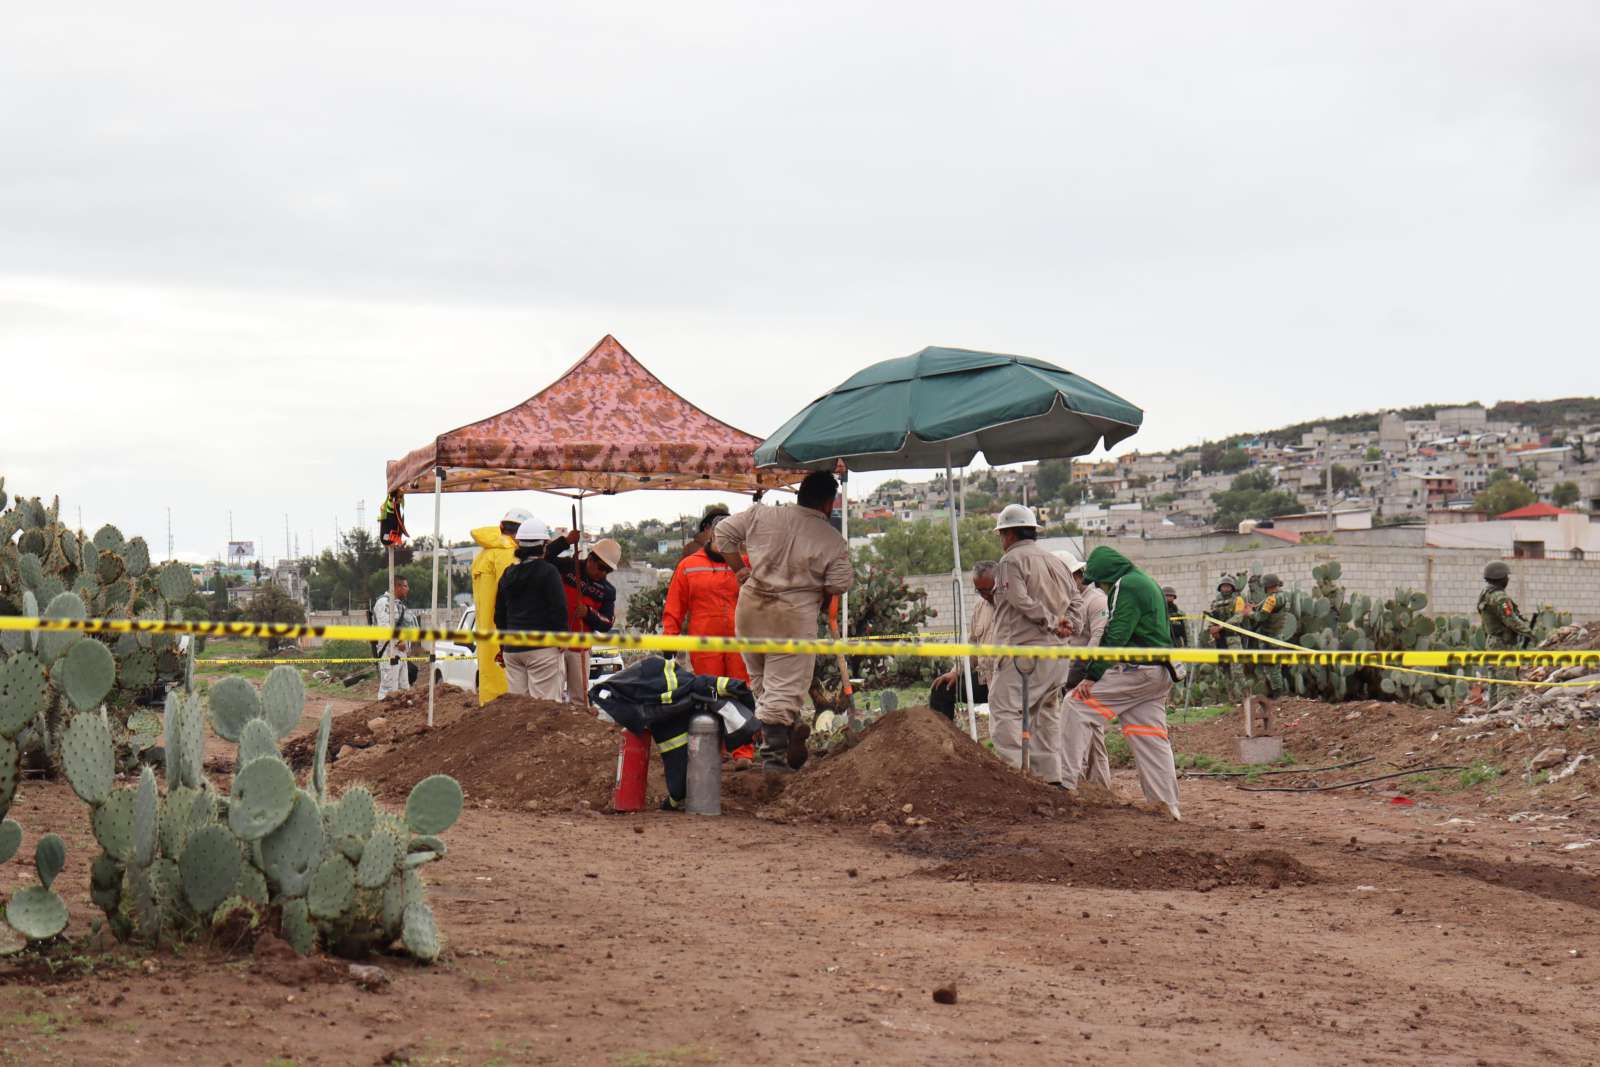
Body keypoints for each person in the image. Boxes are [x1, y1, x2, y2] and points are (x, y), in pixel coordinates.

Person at [713, 471, 852, 771]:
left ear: (799, 494)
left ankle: (789, 731)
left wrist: (739, 570)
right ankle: (774, 764)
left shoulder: (763, 515)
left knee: (763, 683)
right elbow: (839, 583)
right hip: (792, 614)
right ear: (828, 504)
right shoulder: (831, 539)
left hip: (751, 608)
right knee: (782, 689)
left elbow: (721, 533)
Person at [1060, 546, 1181, 821]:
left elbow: (1116, 633)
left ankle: (1064, 784)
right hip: (1157, 674)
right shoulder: (1145, 581)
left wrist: (1092, 676)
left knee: (1074, 705)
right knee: (1150, 739)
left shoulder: (1125, 586)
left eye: (1101, 583)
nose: (1100, 589)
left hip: (1137, 672)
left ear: (1107, 576)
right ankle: (1167, 807)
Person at [987, 504, 1078, 783]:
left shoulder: (1009, 563)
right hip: (1058, 654)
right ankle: (1051, 778)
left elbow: (1019, 600)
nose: (1002, 541)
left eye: (1002, 534)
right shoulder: (1057, 562)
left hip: (1023, 652)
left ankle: (1015, 780)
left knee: (1004, 710)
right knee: (1045, 714)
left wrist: (1051, 621)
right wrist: (1069, 625)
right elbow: (1077, 600)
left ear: (1010, 533)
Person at [663, 507, 756, 764]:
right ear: (710, 534)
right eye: (719, 536)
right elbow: (675, 606)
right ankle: (716, 750)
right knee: (710, 695)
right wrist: (669, 640)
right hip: (705, 644)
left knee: (739, 692)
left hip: (740, 642)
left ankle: (743, 751)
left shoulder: (746, 564)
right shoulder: (688, 566)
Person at [493, 518, 569, 700]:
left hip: (512, 650)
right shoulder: (548, 571)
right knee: (545, 710)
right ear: (543, 545)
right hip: (542, 649)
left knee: (519, 710)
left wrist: (503, 646)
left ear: (519, 544)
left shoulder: (508, 574)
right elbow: (558, 609)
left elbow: (499, 614)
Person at [545, 533, 621, 706]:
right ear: (591, 559)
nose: (603, 573)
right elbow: (544, 557)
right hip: (553, 645)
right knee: (549, 697)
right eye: (601, 568)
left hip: (579, 649)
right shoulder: (568, 566)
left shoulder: (608, 591)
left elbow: (607, 623)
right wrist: (565, 541)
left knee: (580, 700)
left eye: (607, 570)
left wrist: (588, 613)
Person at [1057, 554, 1111, 788]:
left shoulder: (1095, 600)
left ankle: (1094, 782)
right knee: (1086, 727)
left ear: (1078, 576)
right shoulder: (1071, 601)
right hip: (1074, 670)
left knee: (1090, 727)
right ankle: (1096, 783)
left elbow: (1099, 636)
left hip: (1088, 672)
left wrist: (1087, 671)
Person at [470, 507, 532, 705]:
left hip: (487, 634)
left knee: (491, 691)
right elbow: (513, 596)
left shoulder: (485, 553)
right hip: (505, 633)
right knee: (508, 693)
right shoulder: (508, 554)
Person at [929, 561, 999, 719]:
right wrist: (956, 672)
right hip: (985, 678)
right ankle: (944, 741)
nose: (985, 594)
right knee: (941, 690)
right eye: (979, 590)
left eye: (988, 589)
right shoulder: (980, 606)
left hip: (1009, 682)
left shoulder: (1013, 606)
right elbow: (972, 645)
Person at [1478, 560, 1532, 706]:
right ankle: (1504, 711)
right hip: (1502, 642)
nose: (1508, 579)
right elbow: (1510, 620)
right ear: (1500, 578)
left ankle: (1493, 710)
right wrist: (1529, 632)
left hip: (1492, 640)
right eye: (1506, 576)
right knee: (1506, 679)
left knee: (1494, 678)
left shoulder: (1485, 593)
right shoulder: (1500, 597)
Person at [1245, 574, 1291, 716]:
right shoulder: (1282, 595)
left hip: (1270, 638)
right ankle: (1276, 694)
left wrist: (1250, 613)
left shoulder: (1272, 599)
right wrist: (1255, 607)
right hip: (1276, 636)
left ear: (1267, 586)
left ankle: (1277, 695)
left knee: (1272, 668)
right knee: (1272, 667)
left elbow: (1261, 617)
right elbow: (1264, 607)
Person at [373, 577, 414, 698]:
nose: (408, 589)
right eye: (405, 586)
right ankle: (384, 715)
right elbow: (385, 628)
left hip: (401, 652)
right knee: (388, 690)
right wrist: (398, 641)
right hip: (389, 650)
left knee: (404, 689)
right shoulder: (384, 603)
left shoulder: (399, 605)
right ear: (397, 587)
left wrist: (407, 644)